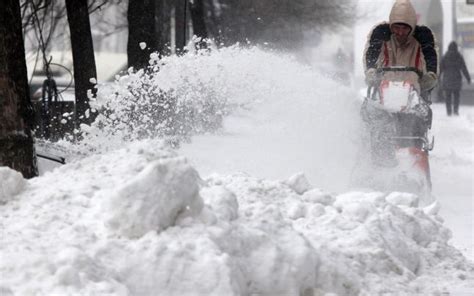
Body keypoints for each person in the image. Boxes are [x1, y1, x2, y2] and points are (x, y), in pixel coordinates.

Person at [363, 0, 438, 95]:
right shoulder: (381, 36)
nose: (400, 32)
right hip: (384, 89)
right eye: (396, 28)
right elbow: (371, 53)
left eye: (405, 28)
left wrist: (430, 75)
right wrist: (371, 71)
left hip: (414, 91)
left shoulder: (422, 39)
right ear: (391, 26)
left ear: (412, 27)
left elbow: (430, 56)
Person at [440, 41, 471, 116]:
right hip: (457, 79)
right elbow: (464, 68)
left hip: (447, 79)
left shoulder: (445, 56)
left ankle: (449, 112)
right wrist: (468, 78)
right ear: (456, 48)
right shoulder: (459, 56)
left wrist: (436, 78)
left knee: (448, 96)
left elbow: (440, 69)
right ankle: (456, 111)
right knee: (456, 96)